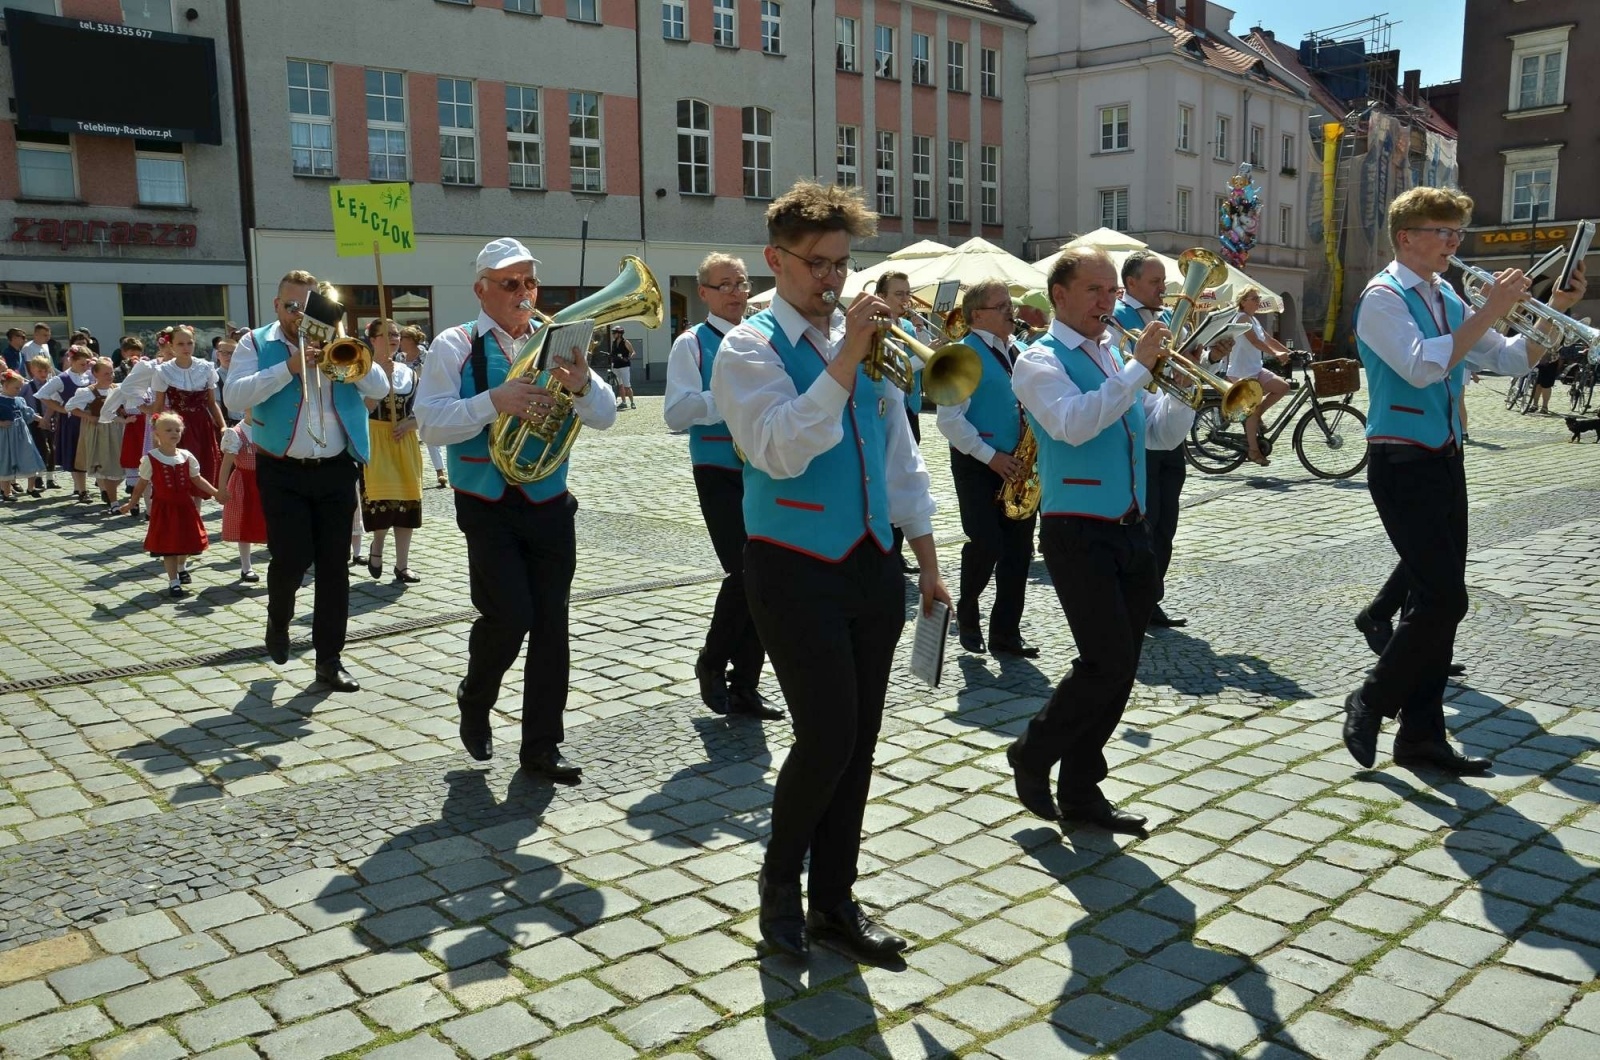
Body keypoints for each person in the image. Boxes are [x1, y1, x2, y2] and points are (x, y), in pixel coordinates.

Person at [711, 180, 949, 961]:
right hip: (791, 565)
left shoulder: (866, 344)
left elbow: (897, 456)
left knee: (862, 740)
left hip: (871, 562)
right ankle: (780, 885)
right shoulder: (746, 348)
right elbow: (779, 448)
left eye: (843, 265)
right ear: (776, 260)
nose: (832, 281)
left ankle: (834, 900)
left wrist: (927, 560)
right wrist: (846, 355)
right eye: (817, 264)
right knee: (826, 736)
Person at [1342, 185, 1587, 775]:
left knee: (1434, 603)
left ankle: (1421, 736)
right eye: (1442, 232)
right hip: (1400, 460)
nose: (1454, 243)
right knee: (1447, 598)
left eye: (1456, 233)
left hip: (1445, 456)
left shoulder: (1443, 293)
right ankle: (1371, 699)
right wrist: (1490, 309)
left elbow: (1505, 358)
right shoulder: (1384, 297)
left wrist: (1558, 312)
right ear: (1408, 238)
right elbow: (1424, 366)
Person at [1008, 246, 1195, 835]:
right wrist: (1139, 369)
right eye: (1094, 290)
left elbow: (1159, 435)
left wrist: (1186, 391)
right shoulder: (1037, 361)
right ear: (1058, 296)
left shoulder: (1115, 353)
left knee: (1123, 665)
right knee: (1104, 661)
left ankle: (1083, 790)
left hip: (1131, 526)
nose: (1106, 301)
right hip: (1076, 530)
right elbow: (1073, 422)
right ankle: (1033, 752)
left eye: (1112, 291)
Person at [415, 237, 617, 782]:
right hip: (486, 503)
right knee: (509, 615)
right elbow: (430, 423)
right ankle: (475, 696)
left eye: (530, 282)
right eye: (510, 283)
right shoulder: (453, 345)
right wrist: (492, 402)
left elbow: (605, 416)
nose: (524, 293)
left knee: (552, 626)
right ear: (481, 289)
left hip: (549, 500)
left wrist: (581, 385)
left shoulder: (556, 338)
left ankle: (542, 748)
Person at [225, 270, 391, 692]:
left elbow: (382, 386)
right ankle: (278, 620)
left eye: (308, 306)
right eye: (292, 306)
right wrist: (289, 367)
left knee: (335, 568)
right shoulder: (256, 343)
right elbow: (234, 398)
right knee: (291, 559)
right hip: (282, 467)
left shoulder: (341, 338)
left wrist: (345, 350)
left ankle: (329, 660)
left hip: (336, 466)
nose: (300, 315)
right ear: (277, 306)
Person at [663, 252, 779, 720]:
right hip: (718, 468)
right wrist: (729, 401)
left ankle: (746, 685)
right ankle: (712, 662)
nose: (736, 292)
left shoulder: (766, 337)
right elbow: (675, 413)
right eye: (724, 285)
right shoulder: (691, 344)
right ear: (705, 293)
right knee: (745, 570)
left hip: (765, 467)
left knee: (765, 575)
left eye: (741, 283)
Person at [936, 278, 1038, 657]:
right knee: (986, 543)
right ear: (977, 314)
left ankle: (1006, 634)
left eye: (1009, 303)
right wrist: (990, 456)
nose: (1011, 311)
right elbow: (948, 420)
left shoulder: (1020, 351)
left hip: (1019, 466)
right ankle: (968, 610)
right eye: (1002, 306)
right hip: (978, 464)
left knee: (1018, 551)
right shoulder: (961, 354)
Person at [1115, 251, 1187, 629]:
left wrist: (1205, 355)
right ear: (1131, 284)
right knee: (1147, 520)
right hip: (1138, 434)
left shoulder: (1162, 319)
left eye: (1163, 281)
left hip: (1170, 427)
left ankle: (1152, 598)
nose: (1164, 288)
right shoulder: (1116, 321)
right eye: (1156, 282)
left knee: (1166, 524)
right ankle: (1136, 600)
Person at [120, 412, 220, 598]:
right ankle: (173, 581)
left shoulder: (186, 456)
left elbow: (197, 479)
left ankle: (182, 567)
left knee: (186, 542)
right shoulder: (151, 458)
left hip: (185, 508)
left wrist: (216, 492)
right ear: (157, 433)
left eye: (177, 430)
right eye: (168, 430)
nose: (174, 433)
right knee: (169, 546)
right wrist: (131, 503)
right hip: (164, 509)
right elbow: (141, 484)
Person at [359, 318, 424, 584]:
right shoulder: (361, 370)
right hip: (375, 437)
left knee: (408, 502)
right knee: (383, 501)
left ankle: (402, 564)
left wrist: (412, 422)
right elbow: (359, 409)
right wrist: (381, 378)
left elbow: (423, 408)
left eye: (396, 334)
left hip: (403, 440)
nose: (393, 338)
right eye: (386, 334)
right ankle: (377, 546)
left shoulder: (409, 372)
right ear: (373, 340)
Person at [875, 271, 925, 574]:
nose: (905, 300)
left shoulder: (906, 325)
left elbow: (917, 365)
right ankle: (886, 549)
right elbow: (899, 368)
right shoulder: (874, 328)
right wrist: (926, 356)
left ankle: (899, 549)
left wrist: (922, 336)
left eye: (907, 293)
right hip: (884, 411)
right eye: (898, 294)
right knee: (885, 480)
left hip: (910, 409)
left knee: (905, 477)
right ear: (881, 297)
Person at [1224, 288, 1295, 465]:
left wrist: (1290, 352)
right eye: (1254, 298)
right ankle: (1253, 451)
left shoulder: (1253, 319)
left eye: (1258, 298)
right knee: (1252, 411)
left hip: (1255, 369)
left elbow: (1268, 339)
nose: (1258, 301)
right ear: (1243, 301)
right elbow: (1255, 342)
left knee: (1282, 387)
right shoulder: (1241, 318)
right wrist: (1277, 355)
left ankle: (1256, 416)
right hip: (1241, 372)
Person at [151, 324, 224, 489]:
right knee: (180, 471)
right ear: (171, 346)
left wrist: (223, 426)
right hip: (177, 426)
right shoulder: (163, 371)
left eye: (189, 343)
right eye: (180, 344)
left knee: (200, 470)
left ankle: (196, 513)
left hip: (202, 424)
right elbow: (159, 405)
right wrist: (156, 433)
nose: (186, 347)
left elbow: (212, 403)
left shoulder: (205, 367)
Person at [64, 356, 126, 514]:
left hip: (118, 429)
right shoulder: (88, 391)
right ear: (96, 374)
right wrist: (89, 416)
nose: (110, 376)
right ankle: (111, 497)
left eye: (111, 372)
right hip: (100, 431)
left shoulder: (118, 388)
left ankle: (107, 488)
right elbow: (70, 407)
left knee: (123, 464)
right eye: (106, 373)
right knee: (105, 462)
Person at [34, 345, 93, 502]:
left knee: (93, 453)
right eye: (82, 364)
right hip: (73, 421)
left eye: (87, 363)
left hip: (91, 419)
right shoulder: (62, 378)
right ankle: (82, 490)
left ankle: (99, 488)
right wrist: (61, 409)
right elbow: (42, 395)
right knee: (76, 454)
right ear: (71, 361)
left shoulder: (90, 375)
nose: (85, 366)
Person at [216, 419, 267, 582]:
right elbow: (226, 464)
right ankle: (246, 566)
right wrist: (221, 488)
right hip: (245, 482)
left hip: (268, 481)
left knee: (272, 521)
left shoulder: (270, 426)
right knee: (243, 521)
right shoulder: (236, 433)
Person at [401, 326, 448, 489]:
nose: (399, 341)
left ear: (411, 341)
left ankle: (440, 471)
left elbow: (435, 377)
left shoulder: (427, 357)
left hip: (423, 398)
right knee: (404, 435)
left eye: (402, 338)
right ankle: (408, 473)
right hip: (405, 401)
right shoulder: (398, 358)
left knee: (428, 433)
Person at [0, 370, 44, 501]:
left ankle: (31, 487)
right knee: (6, 461)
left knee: (29, 456)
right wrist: (1, 423)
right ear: (5, 385)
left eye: (20, 388)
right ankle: (6, 492)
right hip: (5, 436)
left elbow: (27, 413)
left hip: (22, 435)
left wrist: (40, 418)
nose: (18, 390)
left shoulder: (19, 400)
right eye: (16, 388)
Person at [19, 355, 56, 495]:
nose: (43, 374)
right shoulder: (27, 386)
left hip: (51, 419)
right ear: (33, 370)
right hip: (35, 421)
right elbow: (21, 402)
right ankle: (39, 477)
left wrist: (47, 418)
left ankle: (51, 477)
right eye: (40, 371)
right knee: (40, 449)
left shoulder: (52, 384)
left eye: (45, 371)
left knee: (53, 448)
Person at [606, 325, 636, 410]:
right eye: (612, 332)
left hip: (624, 366)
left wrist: (628, 358)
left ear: (619, 334)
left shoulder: (626, 342)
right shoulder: (614, 342)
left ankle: (632, 402)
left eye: (614, 333)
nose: (613, 334)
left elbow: (633, 352)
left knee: (627, 385)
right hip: (616, 366)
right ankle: (623, 402)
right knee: (620, 385)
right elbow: (613, 353)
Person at [1525, 349, 1560, 414]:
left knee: (1546, 385)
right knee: (1537, 384)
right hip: (1538, 358)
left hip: (1550, 360)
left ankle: (1544, 407)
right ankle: (1534, 405)